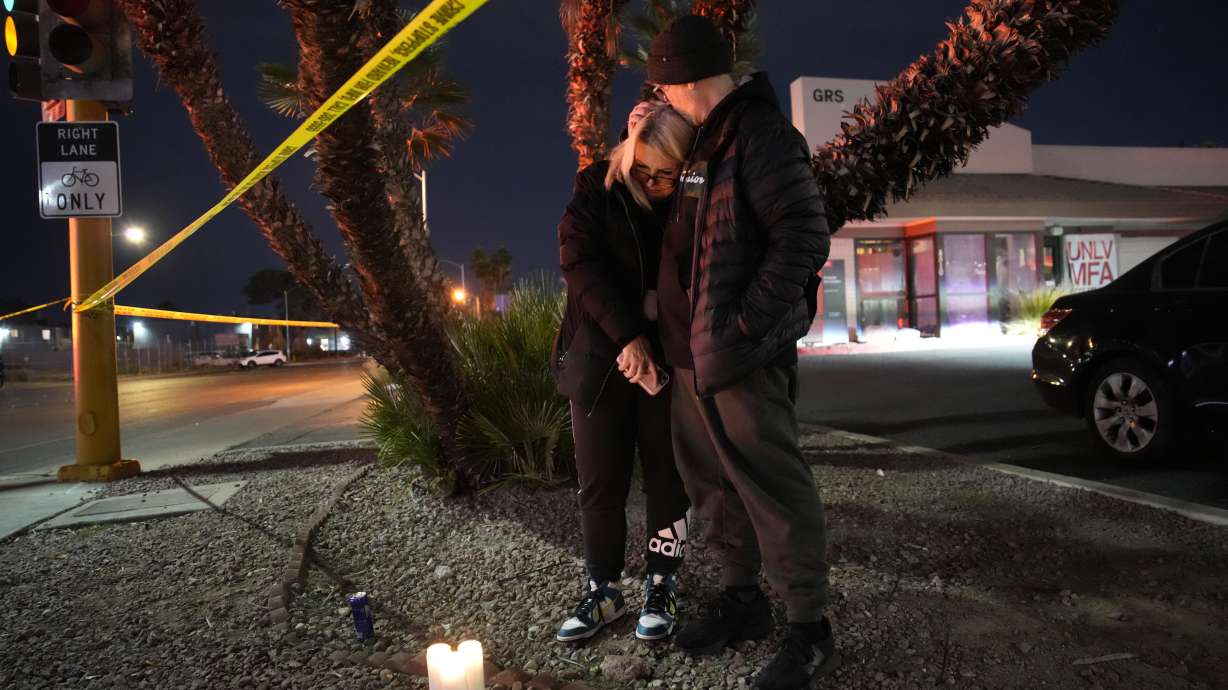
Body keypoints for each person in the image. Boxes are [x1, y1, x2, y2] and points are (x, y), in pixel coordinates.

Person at [645, 15, 837, 690]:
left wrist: (745, 326)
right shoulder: (707, 139)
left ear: (685, 78)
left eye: (663, 86)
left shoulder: (761, 136)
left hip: (740, 357)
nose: (662, 97)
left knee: (774, 491)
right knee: (716, 491)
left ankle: (809, 629)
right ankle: (743, 599)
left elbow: (805, 236)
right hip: (692, 355)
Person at [551, 103, 697, 643]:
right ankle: (603, 588)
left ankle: (662, 584)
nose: (653, 184)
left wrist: (656, 331)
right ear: (628, 152)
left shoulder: (692, 196)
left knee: (668, 478)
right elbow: (580, 264)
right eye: (644, 170)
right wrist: (629, 333)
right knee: (599, 482)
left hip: (667, 361)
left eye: (666, 174)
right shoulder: (598, 185)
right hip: (599, 357)